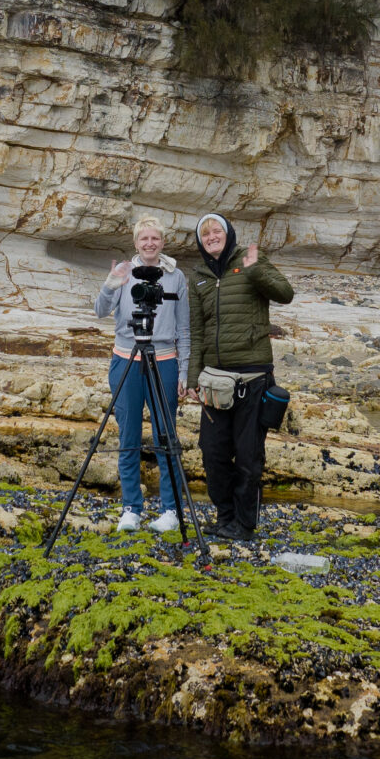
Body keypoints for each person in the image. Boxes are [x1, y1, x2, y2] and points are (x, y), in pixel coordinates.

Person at [186, 211, 292, 540]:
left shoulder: (250, 260)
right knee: (212, 452)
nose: (211, 237)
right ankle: (225, 517)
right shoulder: (198, 276)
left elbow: (285, 293)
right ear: (201, 242)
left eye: (216, 231)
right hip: (214, 382)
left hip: (253, 378)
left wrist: (255, 269)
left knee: (248, 456)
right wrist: (192, 379)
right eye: (205, 234)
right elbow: (197, 332)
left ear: (228, 233)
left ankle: (244, 525)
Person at [92, 217, 192, 535]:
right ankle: (131, 509)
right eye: (144, 239)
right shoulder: (124, 271)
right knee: (129, 437)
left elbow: (183, 328)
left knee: (166, 436)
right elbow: (99, 310)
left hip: (164, 362)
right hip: (126, 358)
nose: (149, 243)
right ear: (136, 243)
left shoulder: (176, 276)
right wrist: (111, 283)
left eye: (155, 238)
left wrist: (184, 371)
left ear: (162, 242)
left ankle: (170, 509)